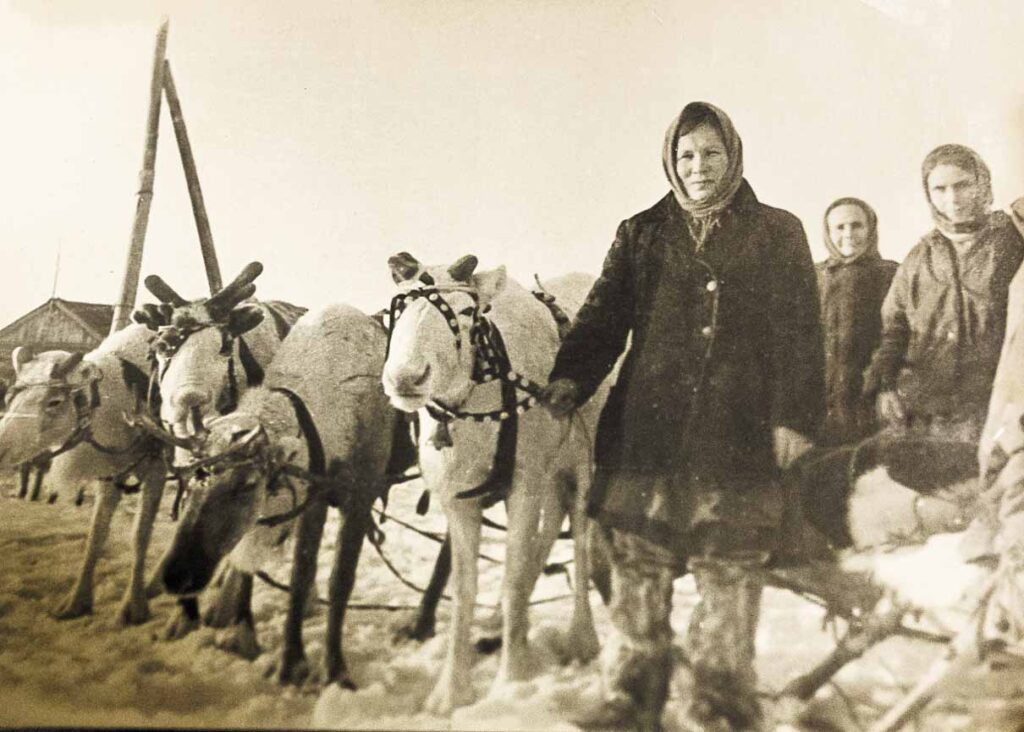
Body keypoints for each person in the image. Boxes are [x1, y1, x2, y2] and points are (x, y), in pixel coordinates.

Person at [541, 101, 824, 732]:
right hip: (648, 435)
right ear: (671, 160)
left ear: (733, 155)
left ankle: (719, 701)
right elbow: (604, 315)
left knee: (728, 568)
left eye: (711, 153)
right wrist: (570, 376)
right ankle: (630, 696)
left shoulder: (779, 231)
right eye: (687, 155)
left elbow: (801, 332)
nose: (699, 167)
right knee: (638, 564)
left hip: (738, 433)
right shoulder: (640, 232)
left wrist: (795, 416)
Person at [864, 144, 1024, 446]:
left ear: (982, 183)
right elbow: (895, 327)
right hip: (929, 414)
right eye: (940, 189)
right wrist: (885, 384)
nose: (952, 198)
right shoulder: (920, 257)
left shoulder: (1012, 240)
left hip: (998, 414)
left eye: (962, 185)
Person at [816, 197, 898, 445]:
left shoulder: (892, 274)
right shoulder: (813, 276)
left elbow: (900, 335)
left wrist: (885, 384)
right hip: (820, 404)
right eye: (840, 227)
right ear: (828, 232)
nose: (848, 234)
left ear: (870, 228)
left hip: (870, 402)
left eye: (856, 225)